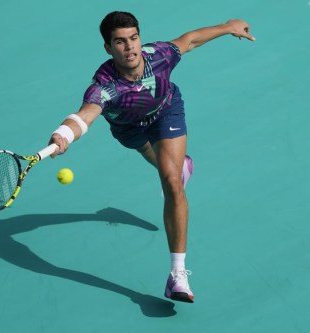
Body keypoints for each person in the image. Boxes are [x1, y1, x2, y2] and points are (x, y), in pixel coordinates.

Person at [47, 11, 255, 303]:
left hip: (166, 110)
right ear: (108, 48)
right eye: (120, 42)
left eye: (133, 38)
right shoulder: (105, 87)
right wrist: (64, 135)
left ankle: (177, 275)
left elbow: (191, 40)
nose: (129, 47)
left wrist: (227, 27)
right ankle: (176, 163)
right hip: (129, 128)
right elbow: (85, 116)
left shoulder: (158, 56)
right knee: (156, 158)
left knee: (171, 182)